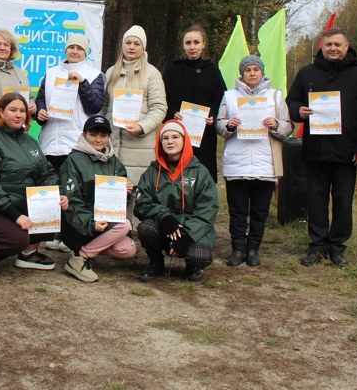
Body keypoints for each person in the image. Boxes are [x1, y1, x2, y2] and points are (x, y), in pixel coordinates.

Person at [286, 27, 357, 267]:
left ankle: (337, 247)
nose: (333, 49)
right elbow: (291, 101)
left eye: (338, 45)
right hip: (316, 149)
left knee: (343, 200)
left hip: (347, 151)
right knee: (316, 199)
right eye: (329, 45)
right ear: (322, 45)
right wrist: (299, 110)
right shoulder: (307, 73)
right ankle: (317, 245)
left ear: (347, 46)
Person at [0, 93, 67, 271]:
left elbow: (46, 173)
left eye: (22, 110)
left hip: (18, 202)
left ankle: (28, 254)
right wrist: (15, 215)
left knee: (52, 204)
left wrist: (56, 194)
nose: (19, 115)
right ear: (0, 112)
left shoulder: (29, 141)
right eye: (13, 110)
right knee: (15, 239)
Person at [215, 56, 293, 267]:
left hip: (265, 164)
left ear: (262, 72)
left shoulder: (276, 96)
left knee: (260, 211)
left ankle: (253, 250)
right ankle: (238, 249)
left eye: (256, 69)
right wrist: (229, 125)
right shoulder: (229, 96)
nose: (252, 73)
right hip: (236, 164)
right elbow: (219, 125)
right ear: (242, 73)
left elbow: (287, 127)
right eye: (247, 69)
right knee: (237, 211)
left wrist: (275, 124)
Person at [35, 32, 105, 253]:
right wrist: (40, 112)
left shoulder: (94, 75)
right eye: (71, 47)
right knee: (53, 187)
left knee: (73, 191)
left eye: (80, 48)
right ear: (65, 50)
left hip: (74, 141)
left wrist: (82, 83)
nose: (74, 51)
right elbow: (39, 98)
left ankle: (70, 235)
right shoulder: (51, 73)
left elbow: (94, 107)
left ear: (86, 52)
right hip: (50, 140)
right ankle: (53, 233)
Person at [134, 120, 219, 282]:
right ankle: (156, 263)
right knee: (145, 228)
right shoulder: (152, 172)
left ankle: (191, 266)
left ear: (184, 140)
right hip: (166, 228)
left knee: (199, 256)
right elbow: (141, 203)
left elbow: (208, 208)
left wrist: (186, 236)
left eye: (175, 137)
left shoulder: (200, 172)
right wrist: (164, 217)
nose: (170, 141)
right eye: (165, 138)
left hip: (192, 230)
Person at [58, 115, 136, 282]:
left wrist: (125, 193)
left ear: (109, 137)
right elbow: (72, 201)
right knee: (125, 224)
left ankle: (86, 250)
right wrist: (90, 224)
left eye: (103, 135)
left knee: (127, 249)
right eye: (93, 134)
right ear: (84, 134)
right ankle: (80, 258)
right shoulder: (73, 160)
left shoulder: (114, 162)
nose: (98, 140)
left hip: (105, 221)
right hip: (80, 225)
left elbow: (120, 204)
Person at [100, 25, 167, 188]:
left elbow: (159, 107)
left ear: (143, 47)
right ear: (122, 45)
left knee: (137, 201)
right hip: (112, 144)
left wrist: (142, 127)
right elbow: (104, 106)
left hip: (140, 145)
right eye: (128, 42)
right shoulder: (110, 72)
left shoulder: (152, 74)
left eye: (137, 44)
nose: (131, 47)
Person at [163, 25, 227, 183]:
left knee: (203, 176)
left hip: (204, 133)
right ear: (183, 45)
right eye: (188, 43)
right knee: (178, 176)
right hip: (177, 132)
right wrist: (171, 113)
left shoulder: (213, 71)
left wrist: (212, 115)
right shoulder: (173, 71)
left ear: (203, 44)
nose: (192, 47)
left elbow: (221, 99)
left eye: (196, 42)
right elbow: (162, 99)